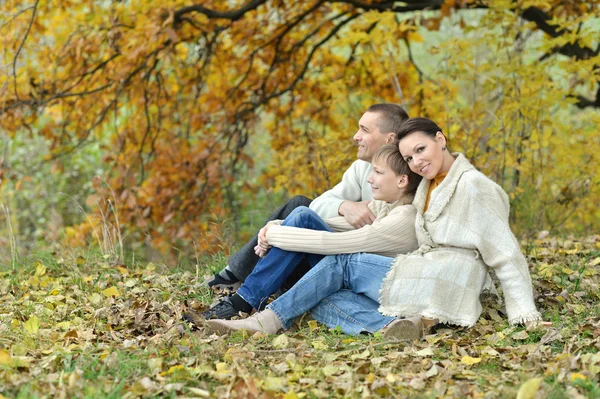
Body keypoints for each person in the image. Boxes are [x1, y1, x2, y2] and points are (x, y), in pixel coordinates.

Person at [204, 117, 542, 338]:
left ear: (441, 139)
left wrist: (524, 316)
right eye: (409, 157)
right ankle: (389, 327)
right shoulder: (427, 184)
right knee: (317, 288)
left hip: (448, 278)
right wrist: (276, 226)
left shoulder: (474, 186)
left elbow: (506, 255)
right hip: (426, 273)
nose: (417, 161)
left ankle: (265, 322)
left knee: (340, 263)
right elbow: (341, 221)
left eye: (421, 150)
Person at [198, 144, 422, 320]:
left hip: (353, 282)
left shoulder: (404, 217)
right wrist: (274, 226)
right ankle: (244, 298)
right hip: (340, 273)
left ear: (402, 180)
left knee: (302, 218)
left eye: (378, 173)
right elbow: (332, 224)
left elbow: (336, 243)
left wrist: (274, 235)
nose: (370, 179)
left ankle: (243, 301)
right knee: (303, 213)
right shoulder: (384, 205)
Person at [204, 104, 409, 290]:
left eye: (364, 130)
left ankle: (241, 280)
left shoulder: (407, 177)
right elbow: (318, 204)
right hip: (337, 251)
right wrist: (345, 206)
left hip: (362, 263)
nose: (356, 136)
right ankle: (237, 275)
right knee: (299, 205)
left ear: (390, 139)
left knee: (299, 217)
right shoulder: (361, 168)